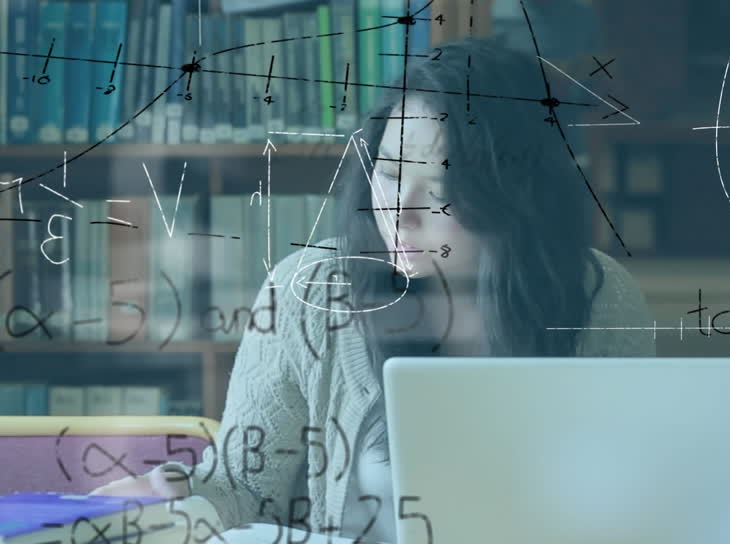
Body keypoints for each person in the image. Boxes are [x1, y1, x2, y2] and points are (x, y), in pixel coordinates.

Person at [91, 38, 655, 539]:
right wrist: (173, 495)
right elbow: (238, 488)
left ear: (514, 196)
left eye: (440, 188)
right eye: (389, 173)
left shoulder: (599, 295)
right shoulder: (309, 293)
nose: (399, 213)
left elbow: (635, 501)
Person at [491, 0, 602, 156]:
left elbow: (598, 87)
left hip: (568, 148)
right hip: (512, 148)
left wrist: (571, 83)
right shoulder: (495, 19)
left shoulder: (582, 17)